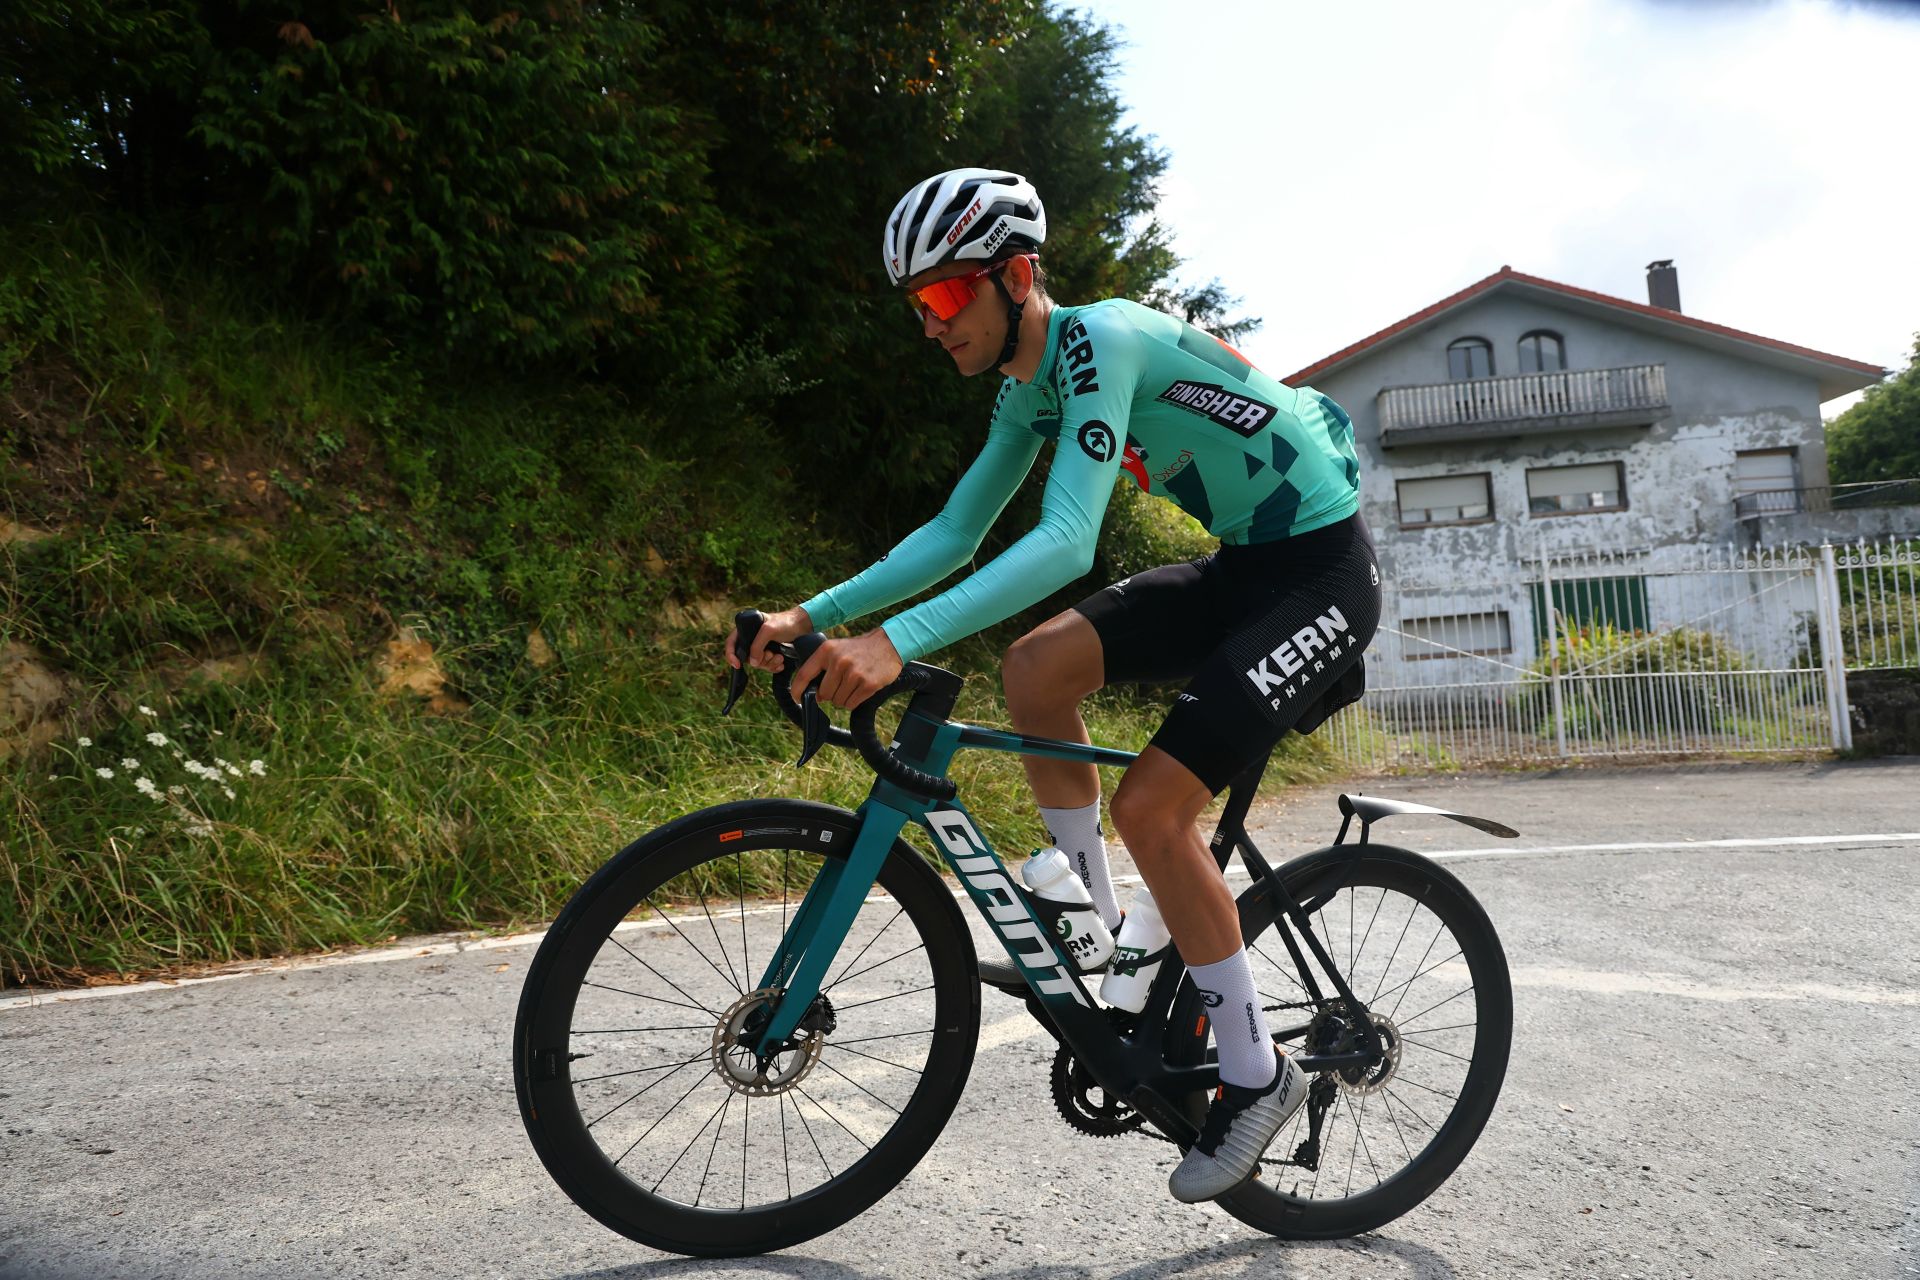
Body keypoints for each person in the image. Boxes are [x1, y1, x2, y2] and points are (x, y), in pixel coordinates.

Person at [720, 167, 1380, 1202]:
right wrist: (813, 614)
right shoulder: (1029, 386)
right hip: (1246, 562)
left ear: (1014, 274)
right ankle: (1099, 940)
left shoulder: (1099, 340)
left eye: (944, 296)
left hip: (1321, 573)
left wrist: (893, 642)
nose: (932, 326)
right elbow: (955, 531)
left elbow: (1068, 539)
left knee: (1155, 803)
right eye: (917, 306)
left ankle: (1260, 1074)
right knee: (1036, 666)